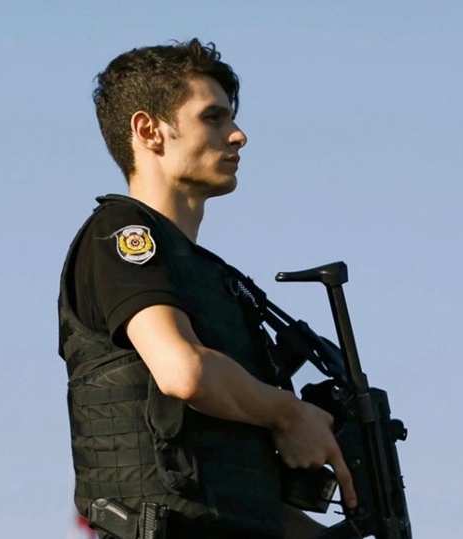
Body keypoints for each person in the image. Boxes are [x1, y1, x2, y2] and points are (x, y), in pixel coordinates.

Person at [57, 39, 358, 538]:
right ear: (149, 131)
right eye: (212, 118)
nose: (237, 135)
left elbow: (236, 501)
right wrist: (289, 413)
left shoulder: (214, 281)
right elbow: (184, 372)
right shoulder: (121, 232)